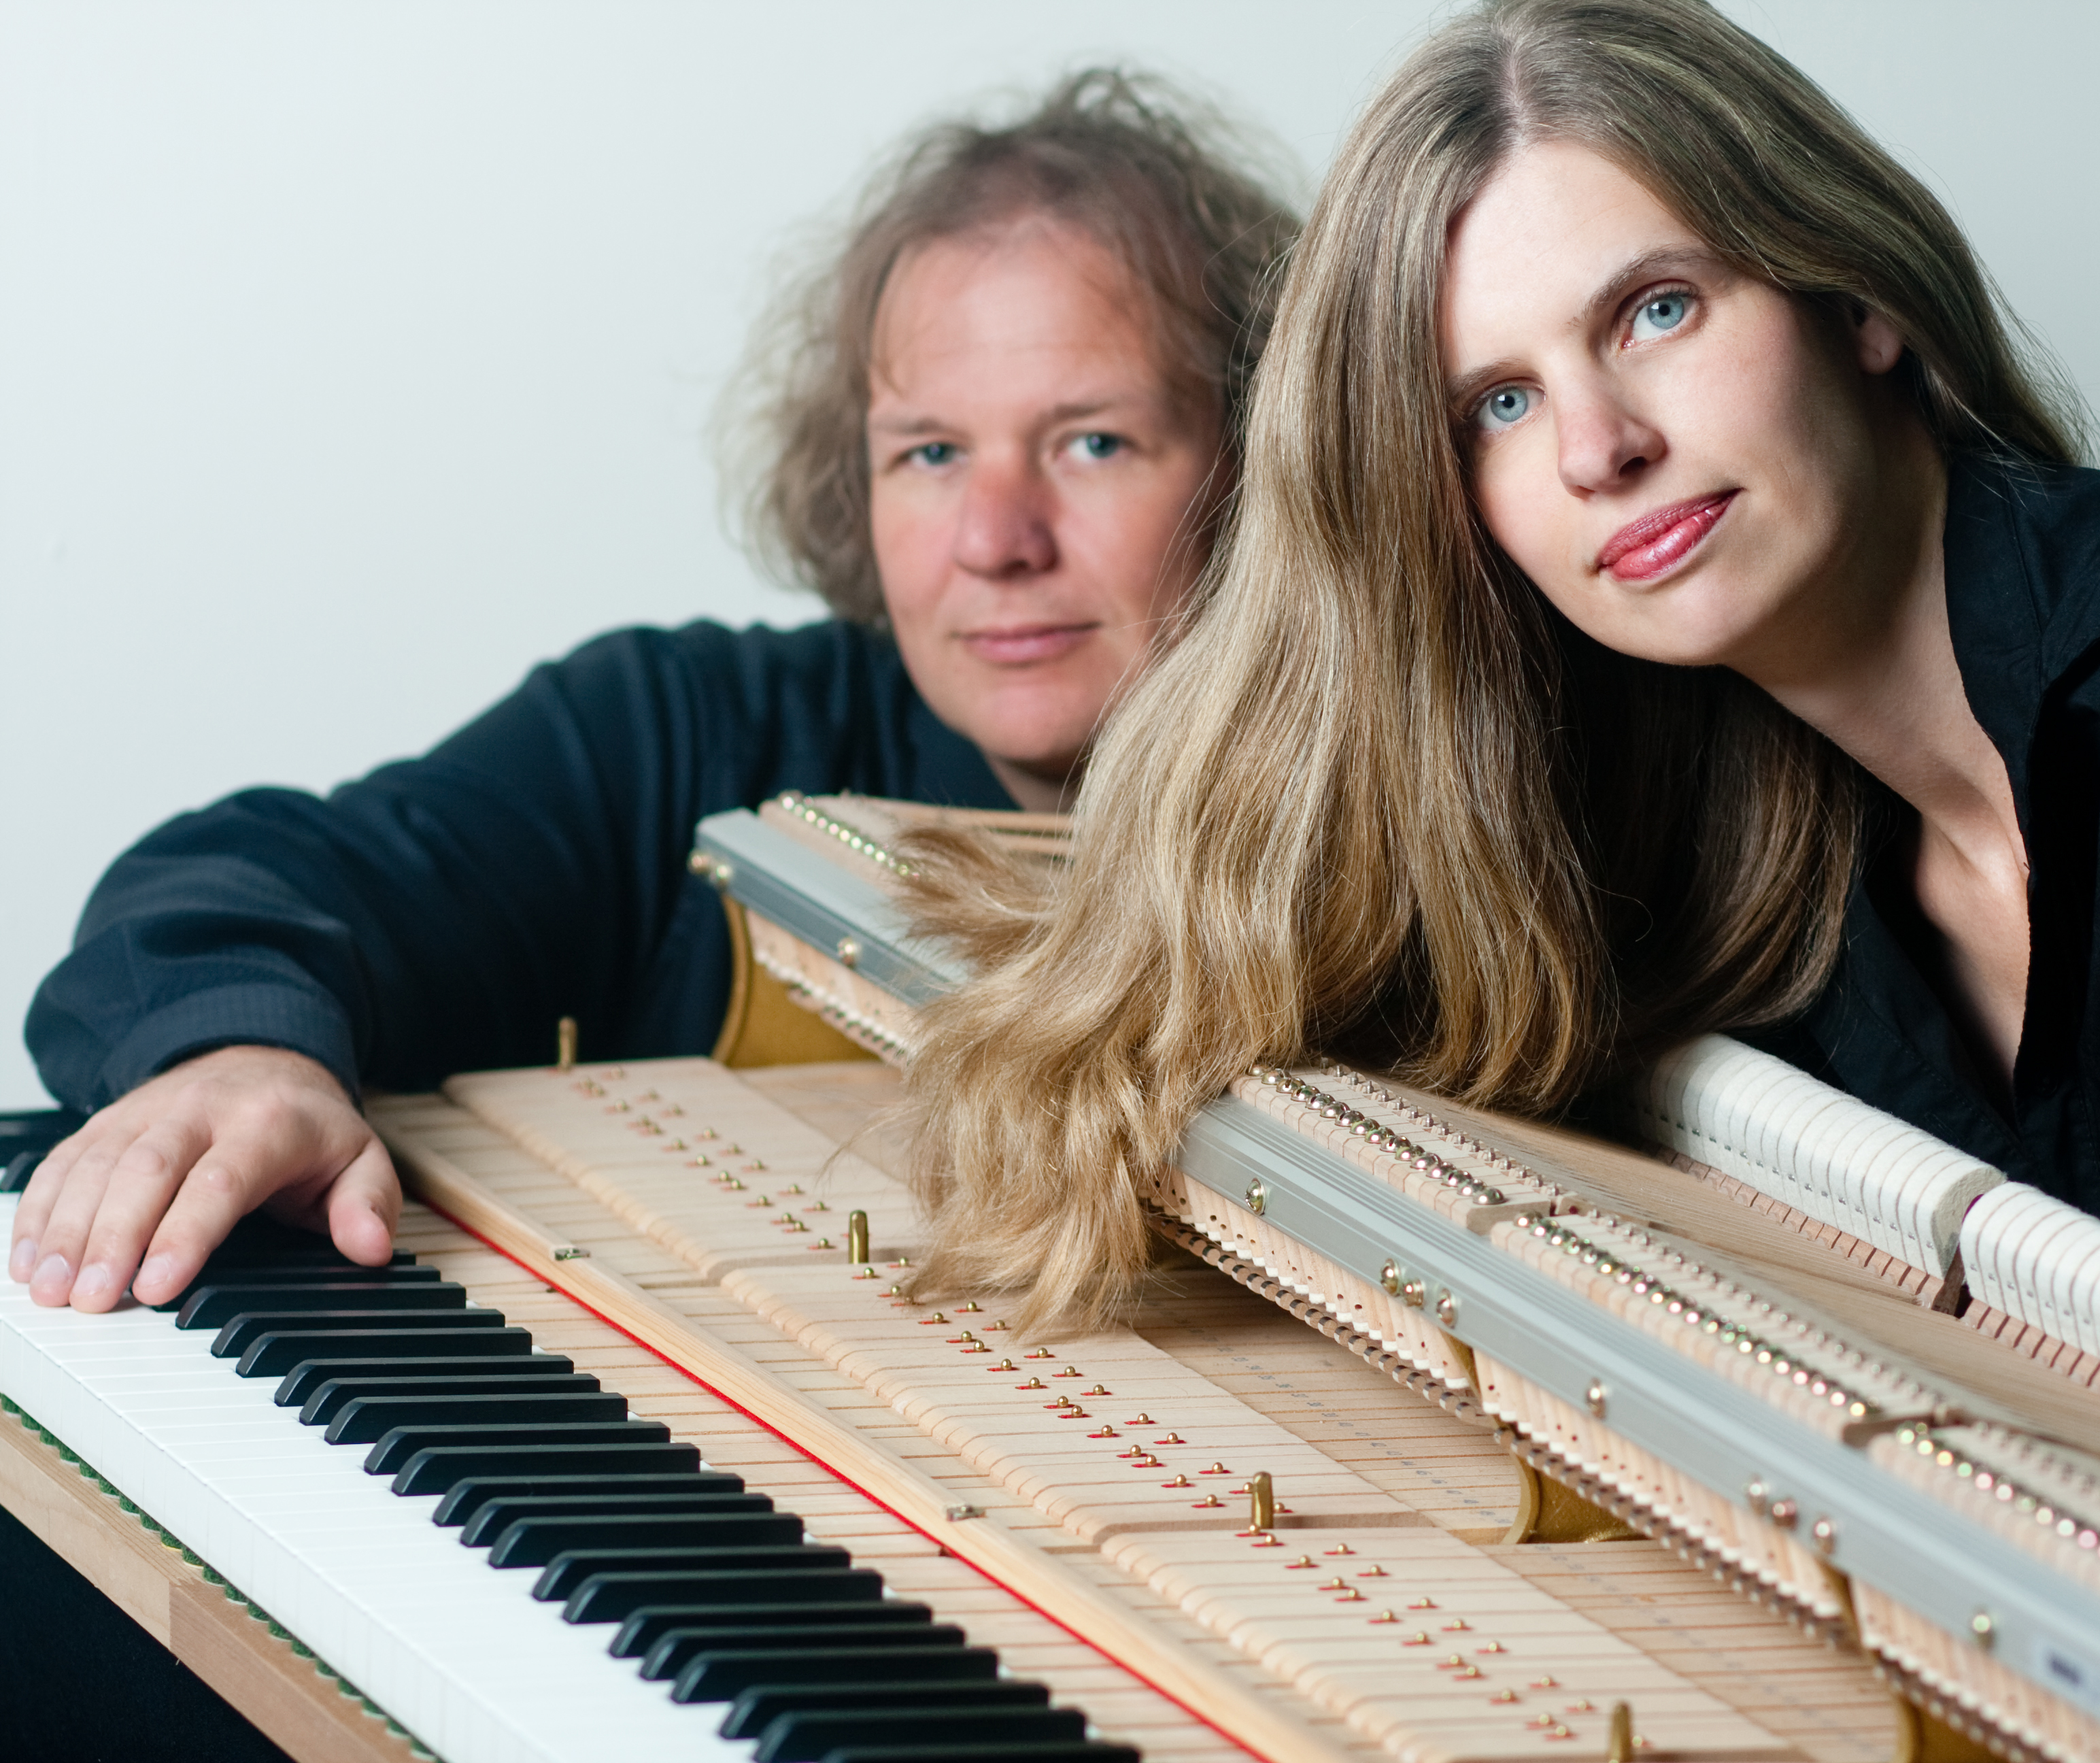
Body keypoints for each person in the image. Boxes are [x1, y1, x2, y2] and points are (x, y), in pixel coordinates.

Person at [895, 0, 2100, 1473]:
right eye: (1497, 404)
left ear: (1854, 297)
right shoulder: (1727, 890)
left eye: (1656, 310)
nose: (1597, 447)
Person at [12, 69, 1298, 1316]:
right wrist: (244, 1050)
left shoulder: (1402, 821)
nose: (994, 538)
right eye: (932, 452)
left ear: (1269, 464)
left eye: (1093, 442)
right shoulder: (686, 732)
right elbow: (242, 880)